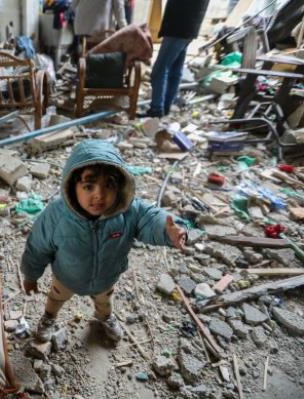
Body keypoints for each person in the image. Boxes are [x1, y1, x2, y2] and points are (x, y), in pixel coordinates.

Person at [21, 140, 186, 343]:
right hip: (67, 277)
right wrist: (31, 275)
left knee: (105, 301)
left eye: (109, 185)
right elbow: (37, 246)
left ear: (120, 187)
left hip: (106, 278)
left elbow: (150, 218)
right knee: (56, 298)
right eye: (89, 186)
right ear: (72, 186)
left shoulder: (128, 211)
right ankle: (49, 317)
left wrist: (167, 230)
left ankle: (104, 317)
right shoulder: (56, 215)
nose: (99, 195)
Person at [144, 0, 210, 117]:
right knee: (174, 70)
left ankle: (156, 110)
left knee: (159, 71)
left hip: (179, 25)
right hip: (189, 25)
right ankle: (166, 107)